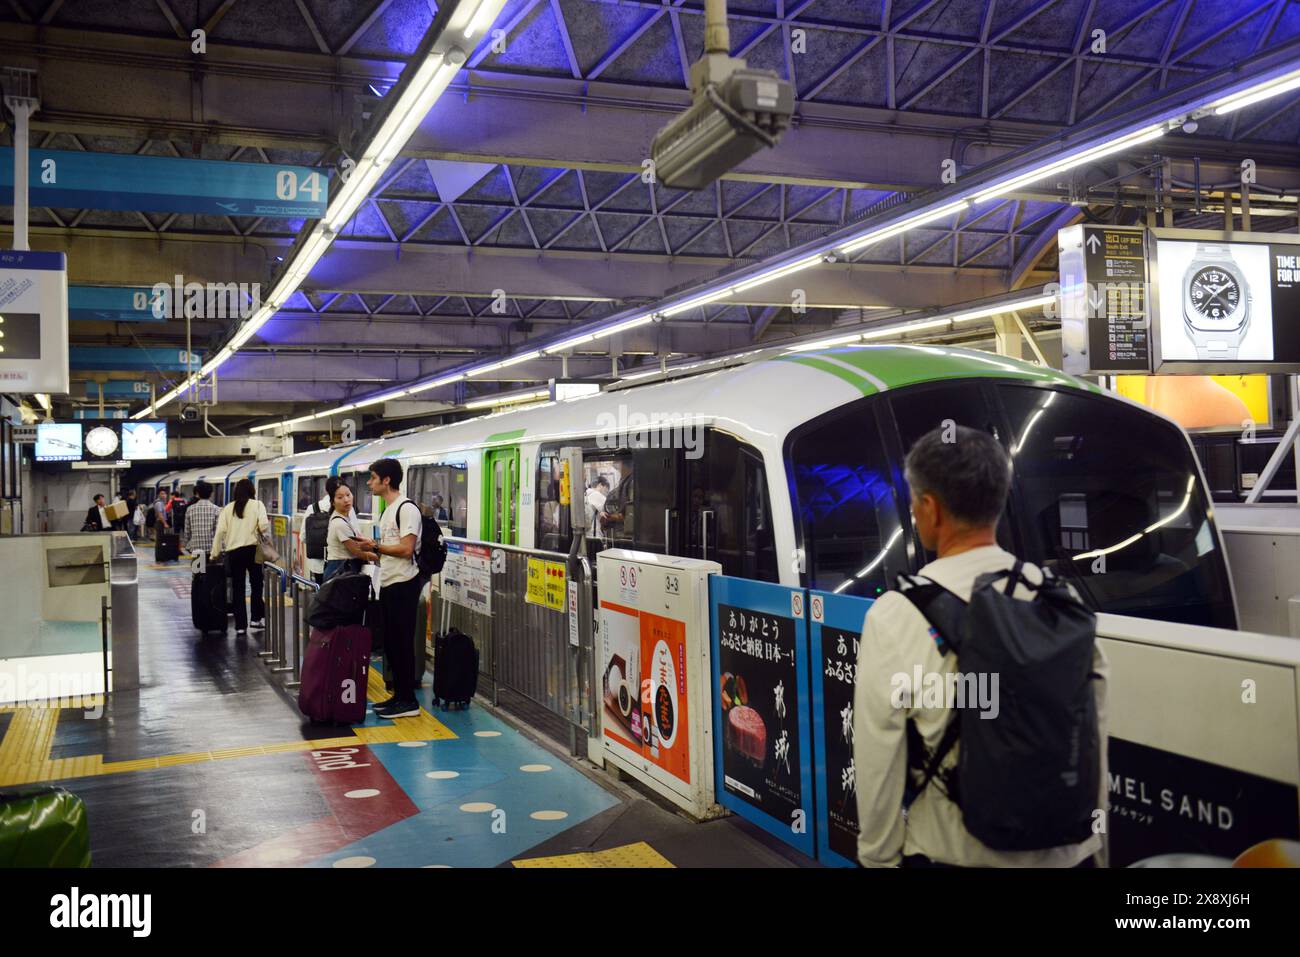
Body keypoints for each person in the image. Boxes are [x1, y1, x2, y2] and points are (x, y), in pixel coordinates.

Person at [853, 424, 1108, 868]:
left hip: (953, 855)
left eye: (915, 501)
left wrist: (878, 859)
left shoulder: (896, 614)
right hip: (1070, 855)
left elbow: (879, 760)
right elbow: (1093, 739)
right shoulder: (1061, 600)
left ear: (929, 508)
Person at [351, 458, 422, 719]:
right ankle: (399, 697)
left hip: (404, 583)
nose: (369, 483)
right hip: (389, 582)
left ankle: (409, 701)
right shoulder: (388, 510)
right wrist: (373, 549)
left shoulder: (406, 509)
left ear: (386, 480)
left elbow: (406, 549)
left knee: (402, 643)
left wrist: (376, 547)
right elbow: (391, 550)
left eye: (372, 477)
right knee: (392, 643)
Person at [210, 478, 271, 636]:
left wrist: (214, 553)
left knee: (238, 588)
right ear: (252, 491)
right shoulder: (258, 505)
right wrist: (266, 538)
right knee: (257, 584)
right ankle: (256, 619)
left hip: (234, 552)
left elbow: (220, 533)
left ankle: (240, 626)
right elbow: (264, 526)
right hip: (253, 550)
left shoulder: (228, 509)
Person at [323, 481, 367, 583]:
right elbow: (357, 552)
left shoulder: (347, 516)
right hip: (340, 570)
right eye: (340, 497)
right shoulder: (339, 523)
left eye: (348, 494)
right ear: (333, 502)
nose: (346, 500)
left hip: (343, 569)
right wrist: (381, 555)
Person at [301, 477, 339, 584]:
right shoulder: (346, 509)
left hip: (318, 564)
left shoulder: (312, 508)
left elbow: (303, 536)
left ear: (326, 490)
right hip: (339, 564)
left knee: (321, 593)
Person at [184, 481, 220, 563]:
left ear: (197, 493)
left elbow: (187, 532)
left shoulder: (190, 509)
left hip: (196, 550)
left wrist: (188, 547)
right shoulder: (217, 509)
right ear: (211, 494)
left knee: (198, 574)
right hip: (212, 550)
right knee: (211, 574)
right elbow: (218, 532)